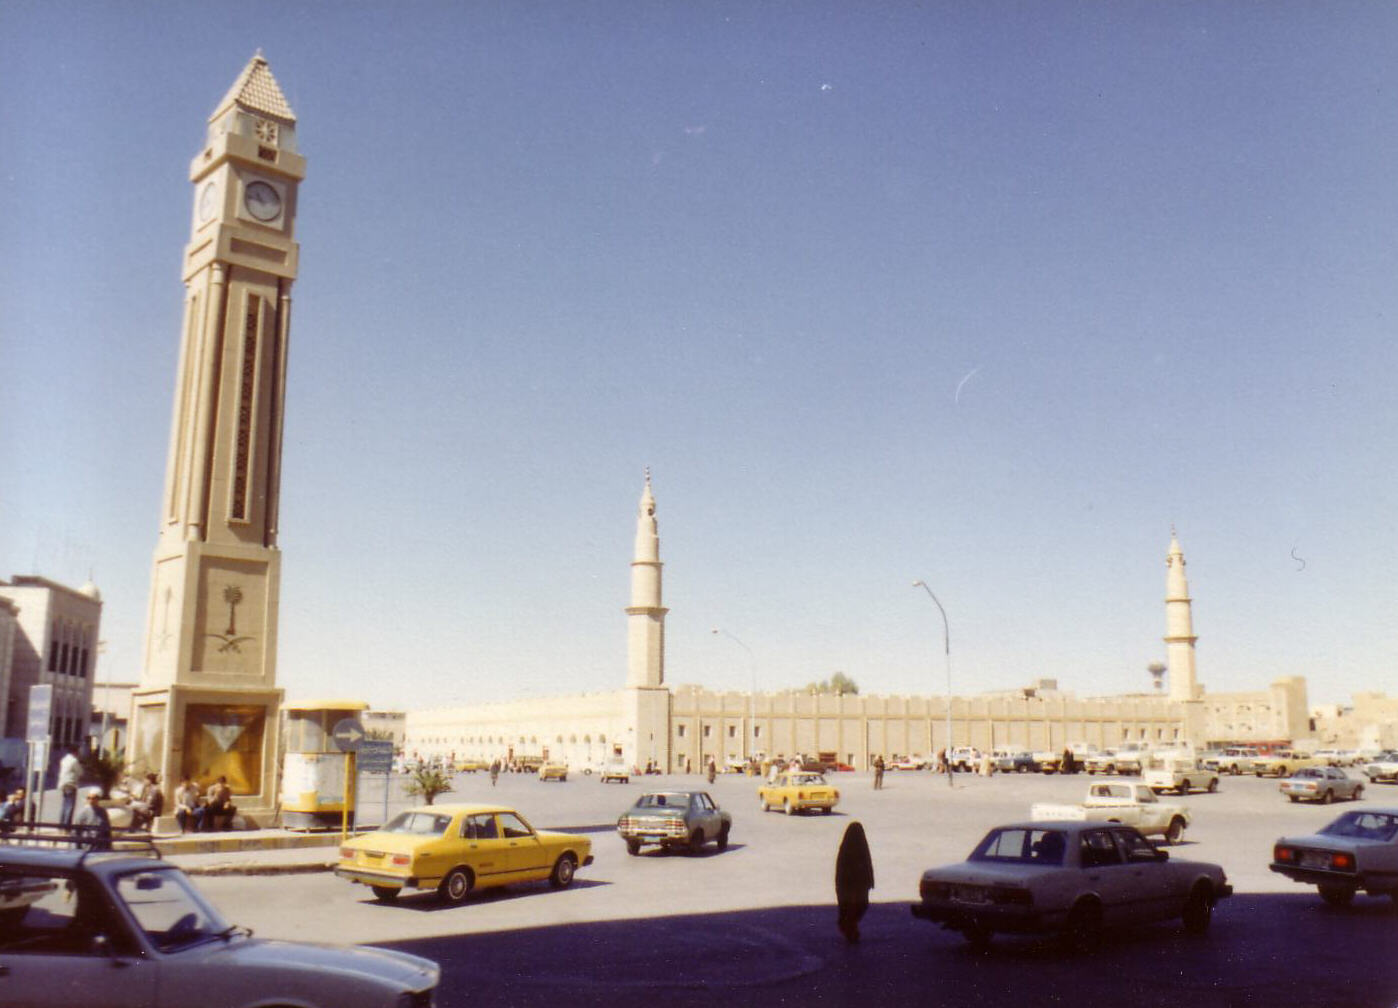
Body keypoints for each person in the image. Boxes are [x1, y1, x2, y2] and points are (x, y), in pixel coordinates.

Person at [835, 820, 875, 943]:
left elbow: (840, 869)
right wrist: (870, 882)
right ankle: (851, 930)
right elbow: (868, 865)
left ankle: (850, 928)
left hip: (849, 886)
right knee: (856, 908)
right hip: (854, 885)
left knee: (851, 909)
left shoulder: (845, 849)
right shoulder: (861, 848)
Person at [57, 747, 81, 825]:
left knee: (64, 805)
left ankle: (61, 824)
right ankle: (66, 826)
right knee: (70, 806)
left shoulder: (64, 760)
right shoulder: (74, 760)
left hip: (63, 784)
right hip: (71, 784)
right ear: (75, 752)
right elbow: (80, 771)